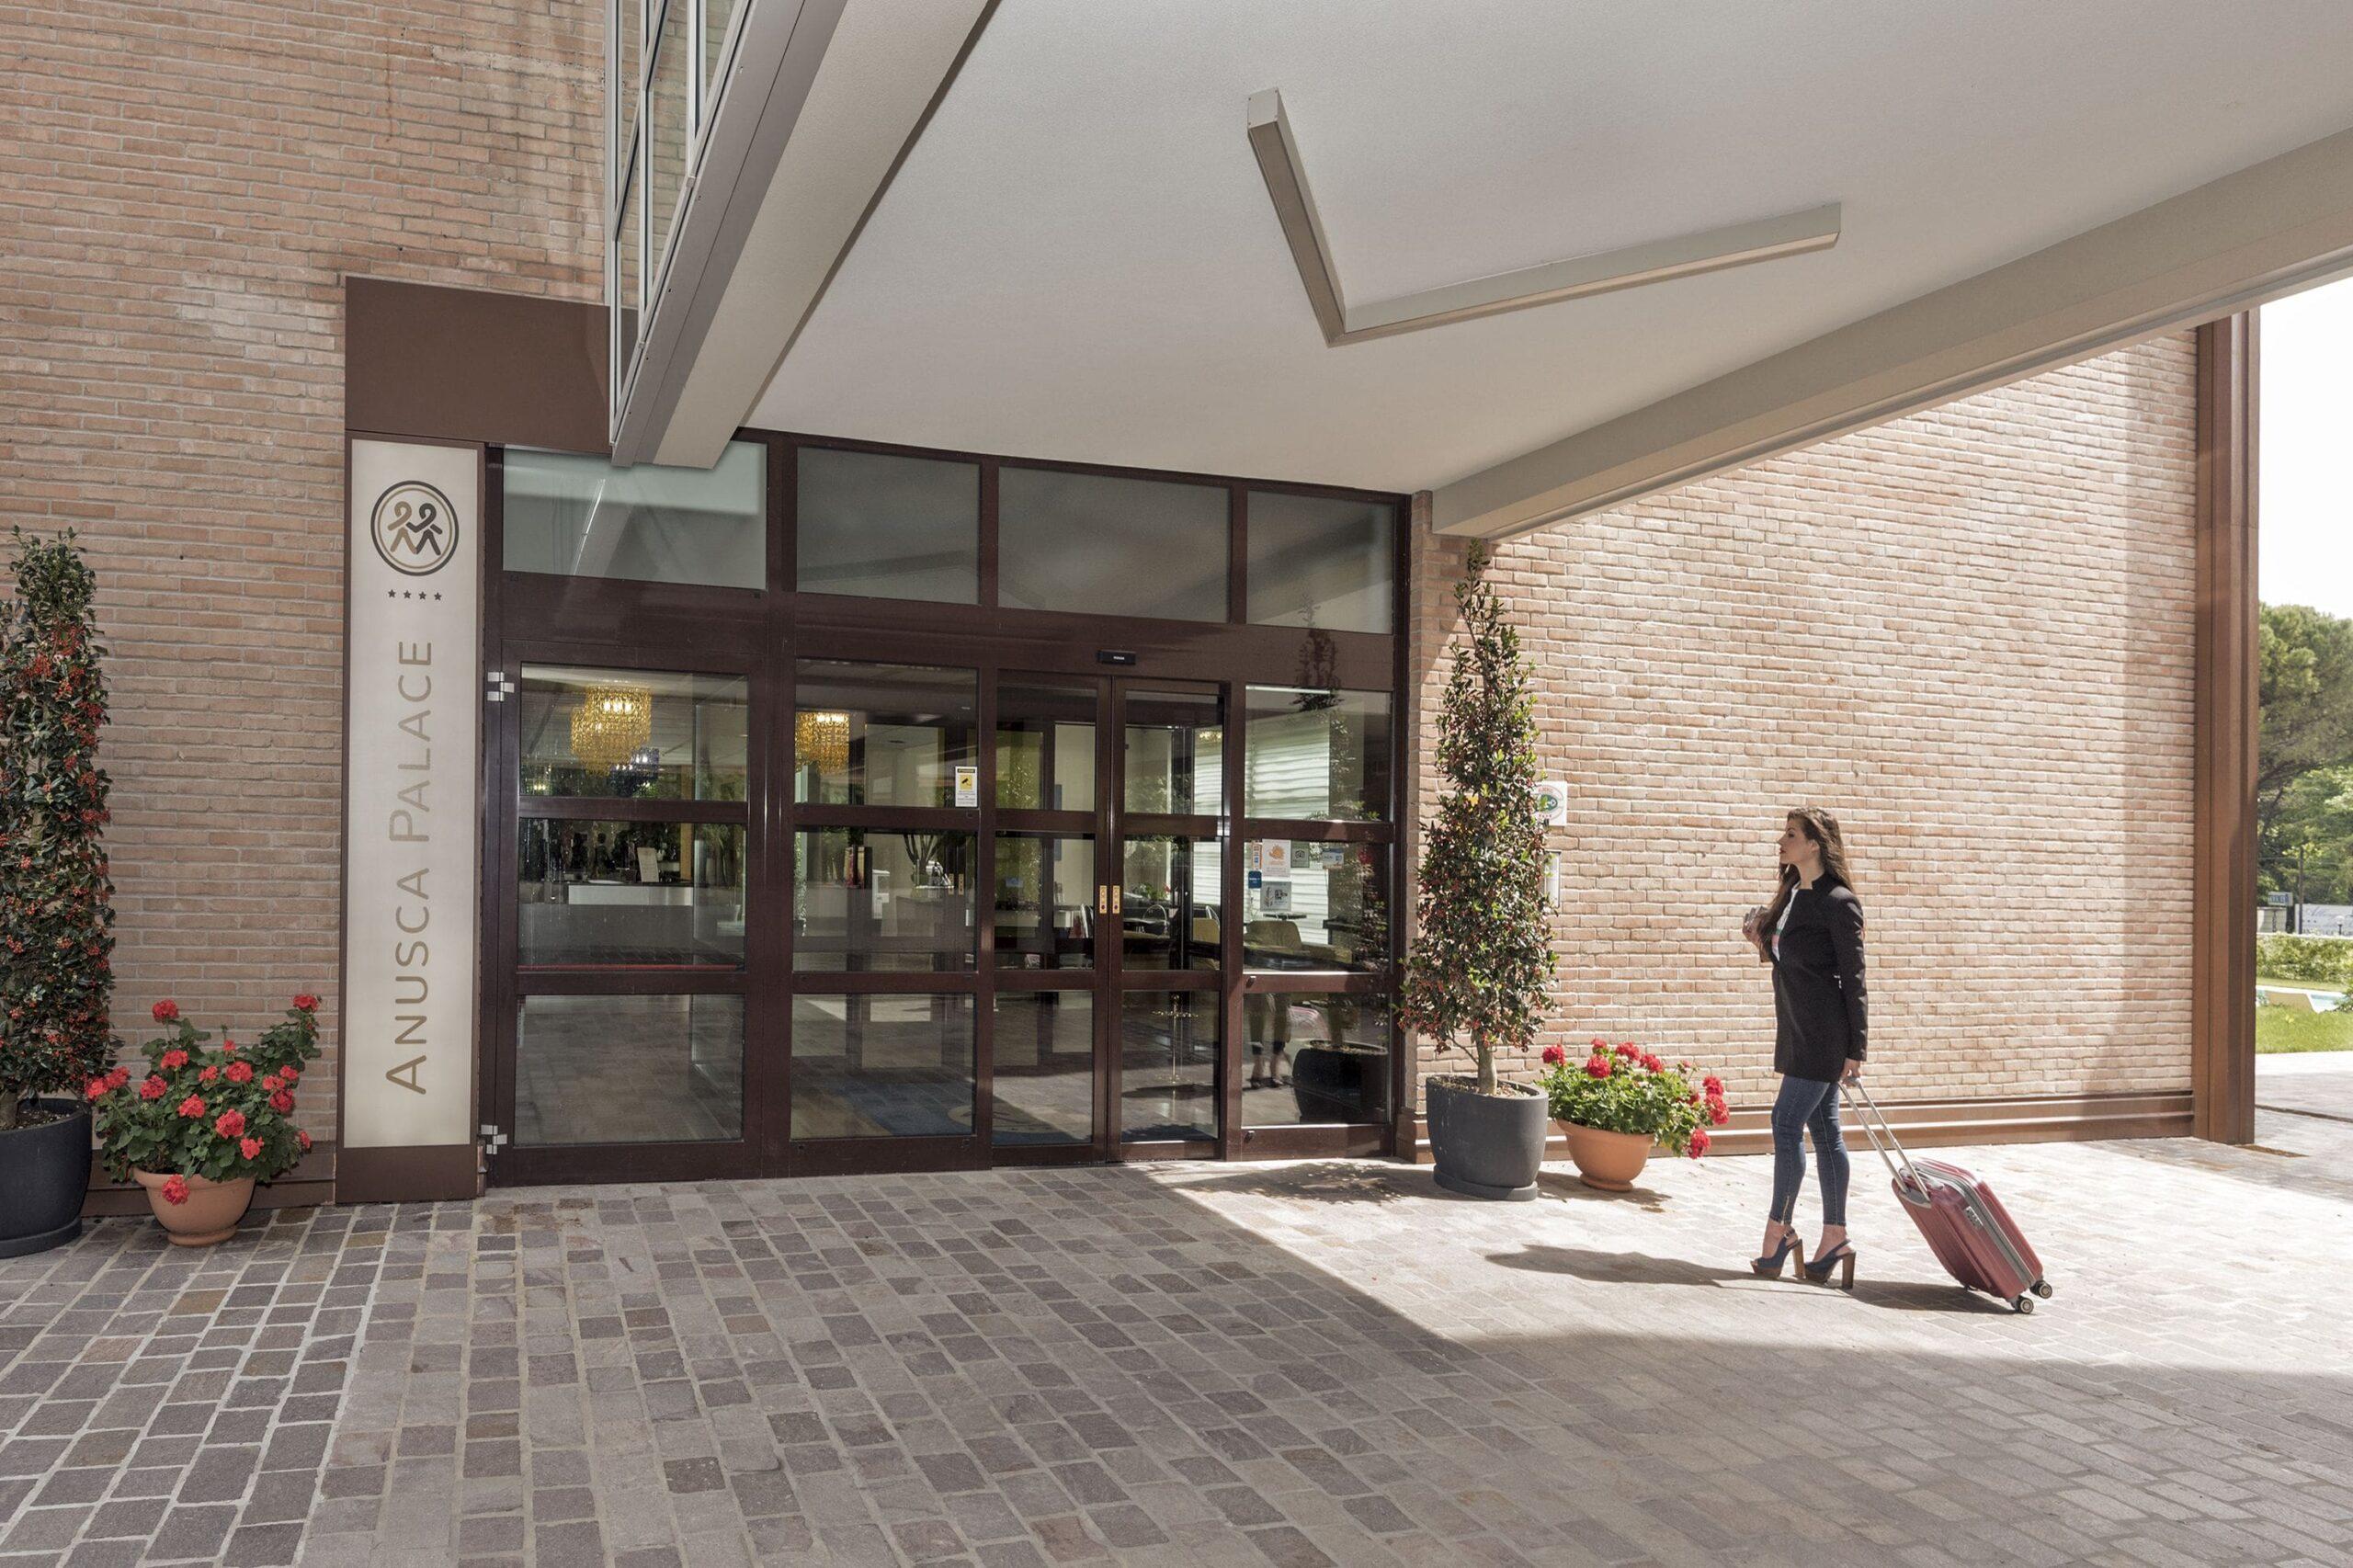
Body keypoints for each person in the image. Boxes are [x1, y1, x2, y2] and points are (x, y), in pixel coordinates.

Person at [1740, 809, 1867, 1288]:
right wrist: (1761, 939)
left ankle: (1779, 1231)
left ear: (1814, 844)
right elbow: (1794, 962)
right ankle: (1834, 1236)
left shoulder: (1840, 902)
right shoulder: (1793, 894)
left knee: (1785, 1123)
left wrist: (1857, 1048)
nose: (1782, 841)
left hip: (1824, 1035)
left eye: (1791, 835)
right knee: (1825, 1130)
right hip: (1796, 1026)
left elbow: (1854, 980)